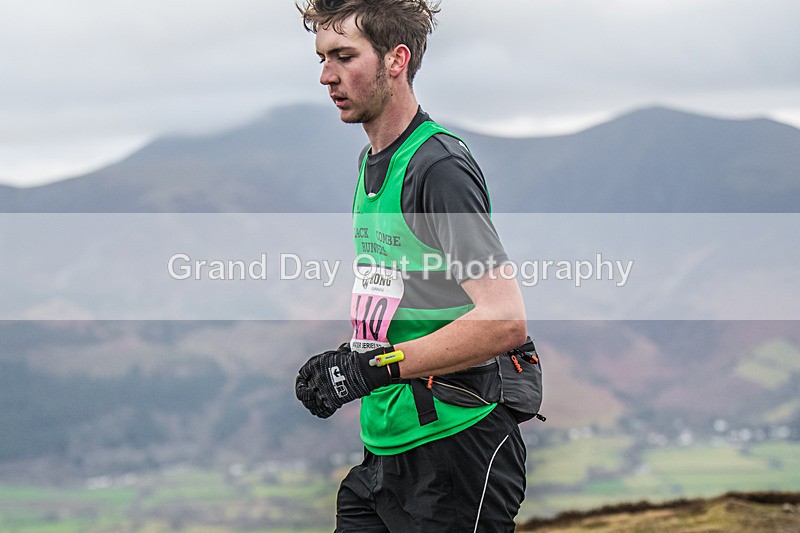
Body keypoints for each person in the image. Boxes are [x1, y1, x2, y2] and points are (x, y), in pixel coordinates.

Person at [294, 1, 529, 530]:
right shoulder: (370, 163)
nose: (327, 75)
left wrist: (369, 369)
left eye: (343, 55)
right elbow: (408, 298)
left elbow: (504, 320)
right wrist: (348, 360)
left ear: (396, 60)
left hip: (455, 449)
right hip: (385, 446)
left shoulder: (438, 167)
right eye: (322, 58)